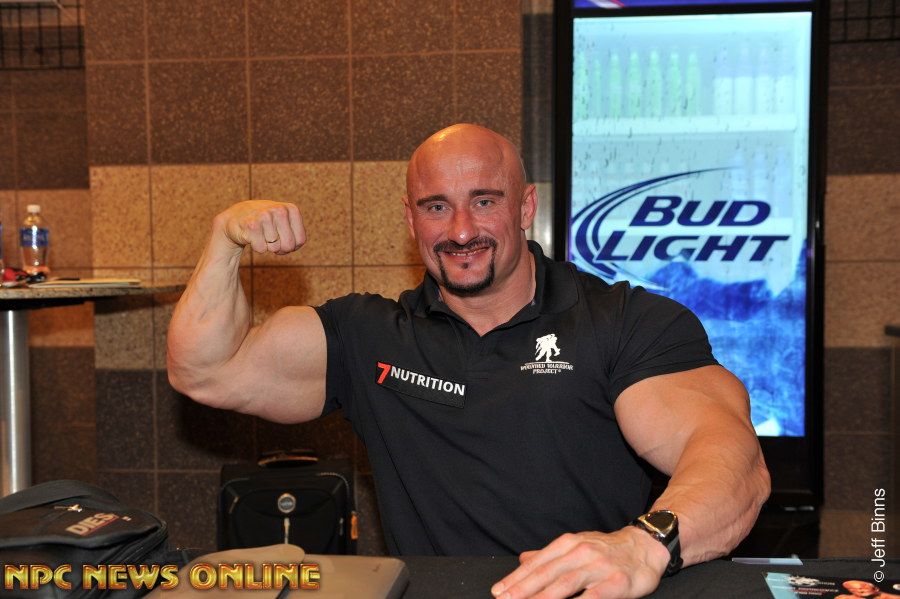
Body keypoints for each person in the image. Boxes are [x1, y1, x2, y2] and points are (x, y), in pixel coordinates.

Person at [167, 123, 770, 599]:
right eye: (436, 207)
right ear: (410, 220)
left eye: (484, 201)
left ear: (526, 207)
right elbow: (206, 371)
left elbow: (730, 456)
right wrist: (224, 241)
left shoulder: (623, 322)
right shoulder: (369, 337)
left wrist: (641, 546)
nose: (460, 231)